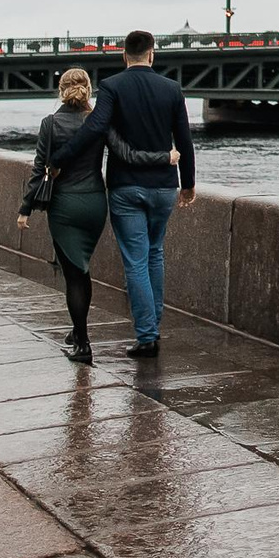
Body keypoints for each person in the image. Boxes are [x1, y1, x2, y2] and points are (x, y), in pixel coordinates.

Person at [50, 29, 193, 357]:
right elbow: (183, 139)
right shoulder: (171, 89)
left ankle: (147, 336)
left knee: (136, 261)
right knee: (155, 254)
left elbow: (95, 127)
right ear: (152, 54)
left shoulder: (112, 86)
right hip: (164, 187)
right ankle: (152, 327)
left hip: (126, 187)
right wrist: (188, 184)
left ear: (124, 56)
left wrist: (58, 159)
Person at [17, 68, 107, 362]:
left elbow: (39, 167)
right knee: (82, 270)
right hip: (95, 202)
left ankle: (82, 344)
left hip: (64, 205)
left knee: (74, 275)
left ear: (61, 90)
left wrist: (25, 208)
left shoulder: (50, 123)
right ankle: (77, 330)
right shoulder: (98, 121)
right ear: (88, 90)